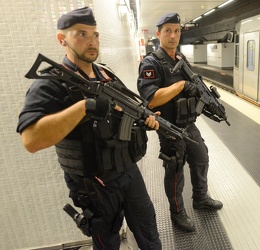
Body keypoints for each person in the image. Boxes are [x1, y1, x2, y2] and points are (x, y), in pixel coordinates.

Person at [16, 7, 162, 250]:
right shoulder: (52, 83)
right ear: (62, 39)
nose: (92, 41)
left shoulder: (106, 74)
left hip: (128, 171)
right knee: (107, 242)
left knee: (148, 229)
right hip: (95, 183)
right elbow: (31, 140)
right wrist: (84, 106)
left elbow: (124, 113)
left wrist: (144, 121)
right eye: (81, 34)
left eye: (95, 35)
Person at [137, 13, 223, 232]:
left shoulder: (180, 59)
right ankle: (177, 212)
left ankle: (200, 198)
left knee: (201, 158)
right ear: (158, 34)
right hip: (169, 127)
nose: (173, 35)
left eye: (176, 31)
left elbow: (191, 85)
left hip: (188, 123)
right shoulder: (151, 62)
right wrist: (182, 86)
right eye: (167, 31)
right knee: (175, 170)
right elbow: (151, 98)